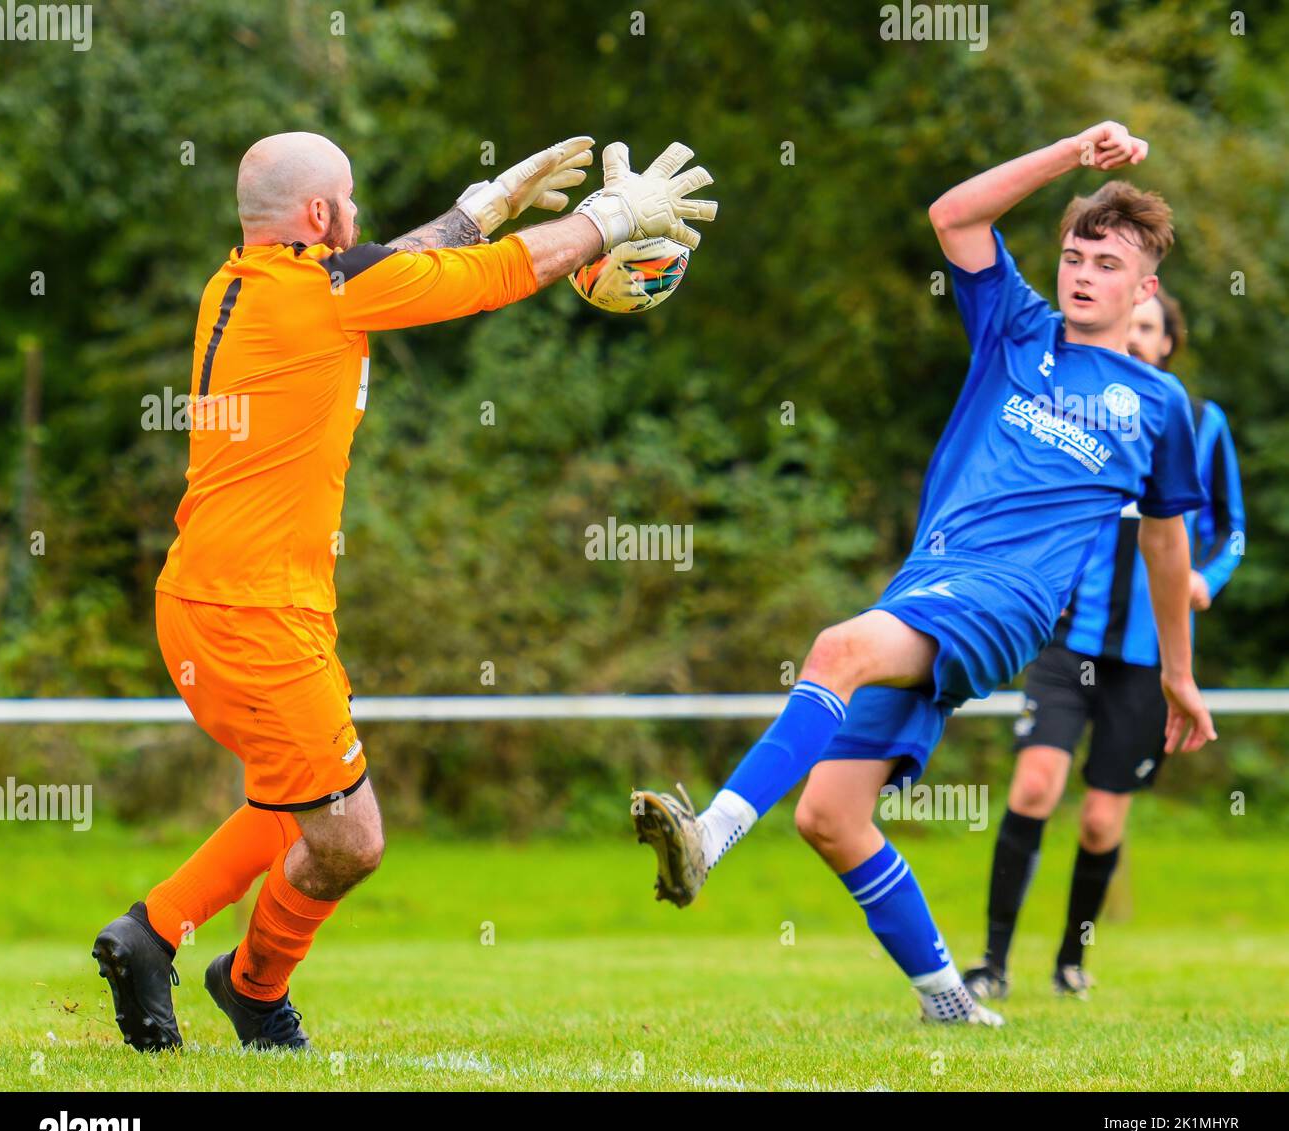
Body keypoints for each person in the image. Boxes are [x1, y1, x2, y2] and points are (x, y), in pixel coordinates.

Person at [92, 131, 716, 1051]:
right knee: (350, 836)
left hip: (220, 599)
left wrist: (484, 206)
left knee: (290, 799)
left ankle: (151, 935)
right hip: (253, 612)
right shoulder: (330, 294)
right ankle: (253, 989)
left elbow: (386, 265)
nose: (357, 216)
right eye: (347, 199)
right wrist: (610, 220)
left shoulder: (247, 282)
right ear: (318, 215)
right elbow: (492, 280)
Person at [632, 121, 1214, 1027]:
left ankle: (709, 834)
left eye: (1106, 262)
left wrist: (1178, 672)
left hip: (1009, 604)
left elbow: (1169, 547)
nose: (1083, 272)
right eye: (1073, 254)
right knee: (830, 814)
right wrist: (1070, 154)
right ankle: (950, 1001)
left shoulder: (1159, 404)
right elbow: (952, 215)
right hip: (932, 582)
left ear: (1145, 288)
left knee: (836, 647)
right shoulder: (1017, 326)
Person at [963, 286, 1244, 1002]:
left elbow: (1231, 531)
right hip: (1069, 645)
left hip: (1146, 662)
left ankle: (1069, 962)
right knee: (1033, 785)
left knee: (1097, 820)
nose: (1139, 336)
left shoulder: (1196, 423)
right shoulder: (1079, 408)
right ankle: (992, 962)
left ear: (1169, 342)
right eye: (1133, 325)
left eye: (1151, 327)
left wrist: (1206, 579)